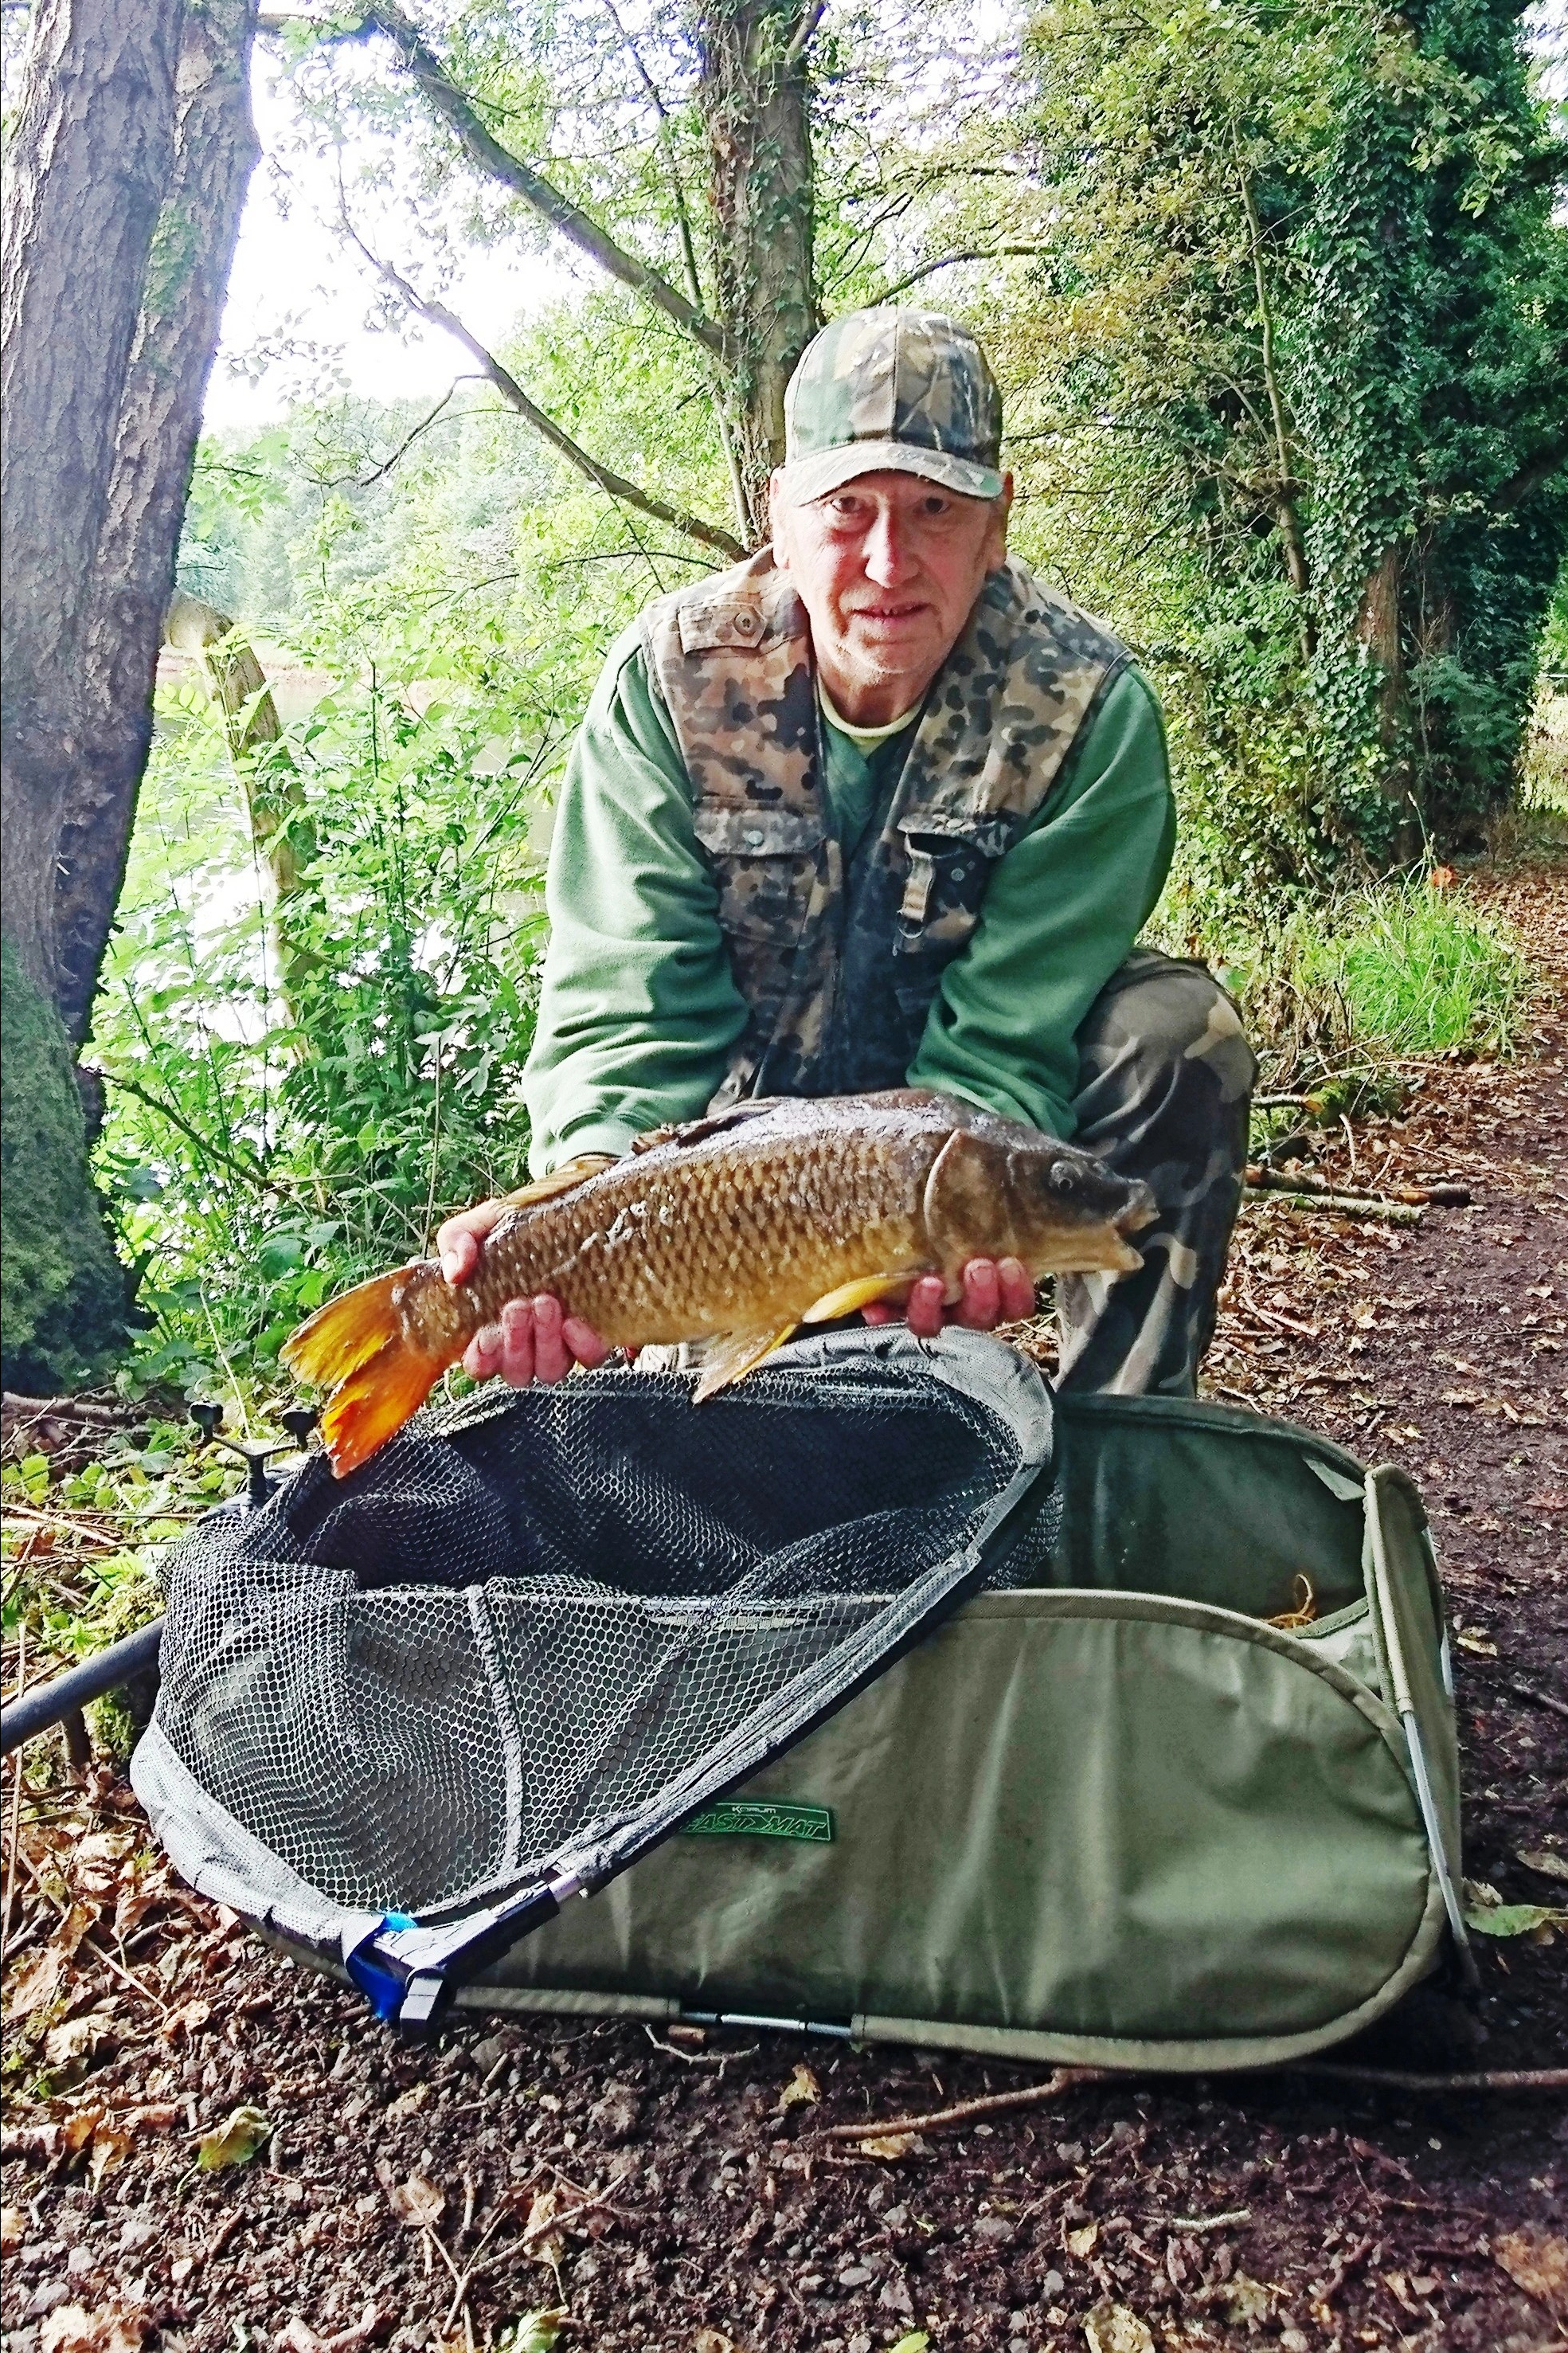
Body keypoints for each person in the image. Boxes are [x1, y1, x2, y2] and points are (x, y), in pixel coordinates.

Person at [438, 307, 1256, 1395]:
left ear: (996, 520)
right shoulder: (668, 684)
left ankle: (1114, 1462)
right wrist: (575, 1202)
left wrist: (937, 1235)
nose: (887, 560)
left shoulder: (1083, 706)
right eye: (846, 509)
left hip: (947, 1120)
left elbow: (1010, 1035)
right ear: (780, 514)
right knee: (720, 1400)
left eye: (933, 509)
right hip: (727, 1137)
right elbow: (629, 1014)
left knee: (1176, 1037)